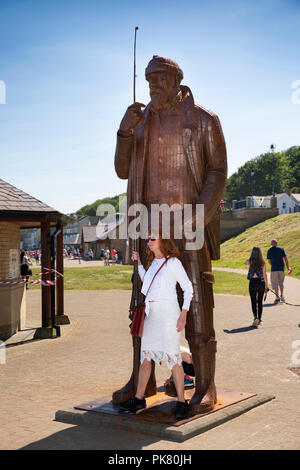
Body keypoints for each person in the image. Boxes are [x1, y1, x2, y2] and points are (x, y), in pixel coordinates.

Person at [113, 55, 227, 413]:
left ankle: (204, 385)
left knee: (196, 306)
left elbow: (217, 172)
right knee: (142, 303)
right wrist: (123, 132)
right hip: (149, 225)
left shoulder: (203, 120)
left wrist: (198, 215)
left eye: (159, 80)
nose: (152, 87)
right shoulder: (140, 122)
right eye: (149, 81)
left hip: (187, 224)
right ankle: (141, 381)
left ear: (177, 80)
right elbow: (120, 171)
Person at [119, 236, 193, 419]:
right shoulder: (153, 263)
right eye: (148, 239)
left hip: (169, 314)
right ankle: (138, 399)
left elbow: (188, 288)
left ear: (163, 241)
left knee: (173, 358)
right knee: (145, 356)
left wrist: (184, 313)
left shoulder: (173, 262)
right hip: (152, 314)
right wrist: (139, 264)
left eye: (153, 238)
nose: (148, 242)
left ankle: (182, 402)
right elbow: (148, 284)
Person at [244, 247, 269, 326]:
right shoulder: (263, 262)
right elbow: (265, 275)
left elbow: (245, 262)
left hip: (253, 282)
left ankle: (255, 317)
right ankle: (260, 319)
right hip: (261, 282)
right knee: (260, 302)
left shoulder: (250, 261)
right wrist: (266, 286)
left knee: (253, 301)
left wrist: (251, 258)